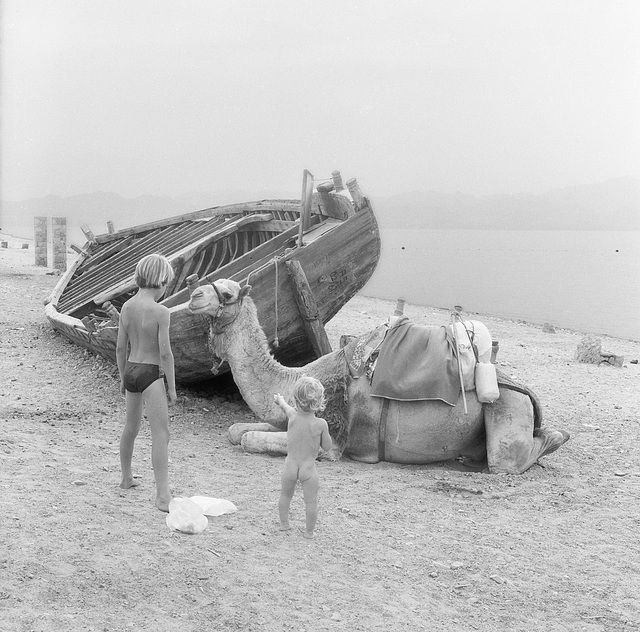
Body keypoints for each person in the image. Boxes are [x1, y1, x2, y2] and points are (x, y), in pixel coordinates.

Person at [116, 253, 177, 512]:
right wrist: (172, 386)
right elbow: (165, 354)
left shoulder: (126, 308)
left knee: (131, 427)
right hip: (151, 373)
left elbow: (120, 347)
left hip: (131, 368)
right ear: (161, 282)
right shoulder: (161, 312)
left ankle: (126, 477)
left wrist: (122, 377)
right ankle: (163, 495)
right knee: (161, 433)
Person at [274, 376, 333, 538]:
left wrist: (279, 400)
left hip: (290, 466)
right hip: (308, 469)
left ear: (296, 399)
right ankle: (309, 532)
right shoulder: (321, 424)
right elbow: (327, 447)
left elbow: (284, 406)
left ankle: (284, 524)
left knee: (285, 495)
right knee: (311, 501)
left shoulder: (292, 415)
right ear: (319, 402)